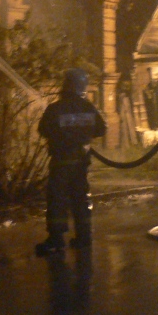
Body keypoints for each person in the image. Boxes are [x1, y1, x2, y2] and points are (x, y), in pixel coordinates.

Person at [35, 68, 107, 256]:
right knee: (81, 198)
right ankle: (84, 237)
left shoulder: (55, 108)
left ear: (66, 85)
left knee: (57, 199)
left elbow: (43, 129)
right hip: (81, 162)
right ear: (82, 86)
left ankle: (57, 240)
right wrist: (83, 135)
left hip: (61, 161)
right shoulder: (89, 107)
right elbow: (101, 129)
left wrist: (63, 136)